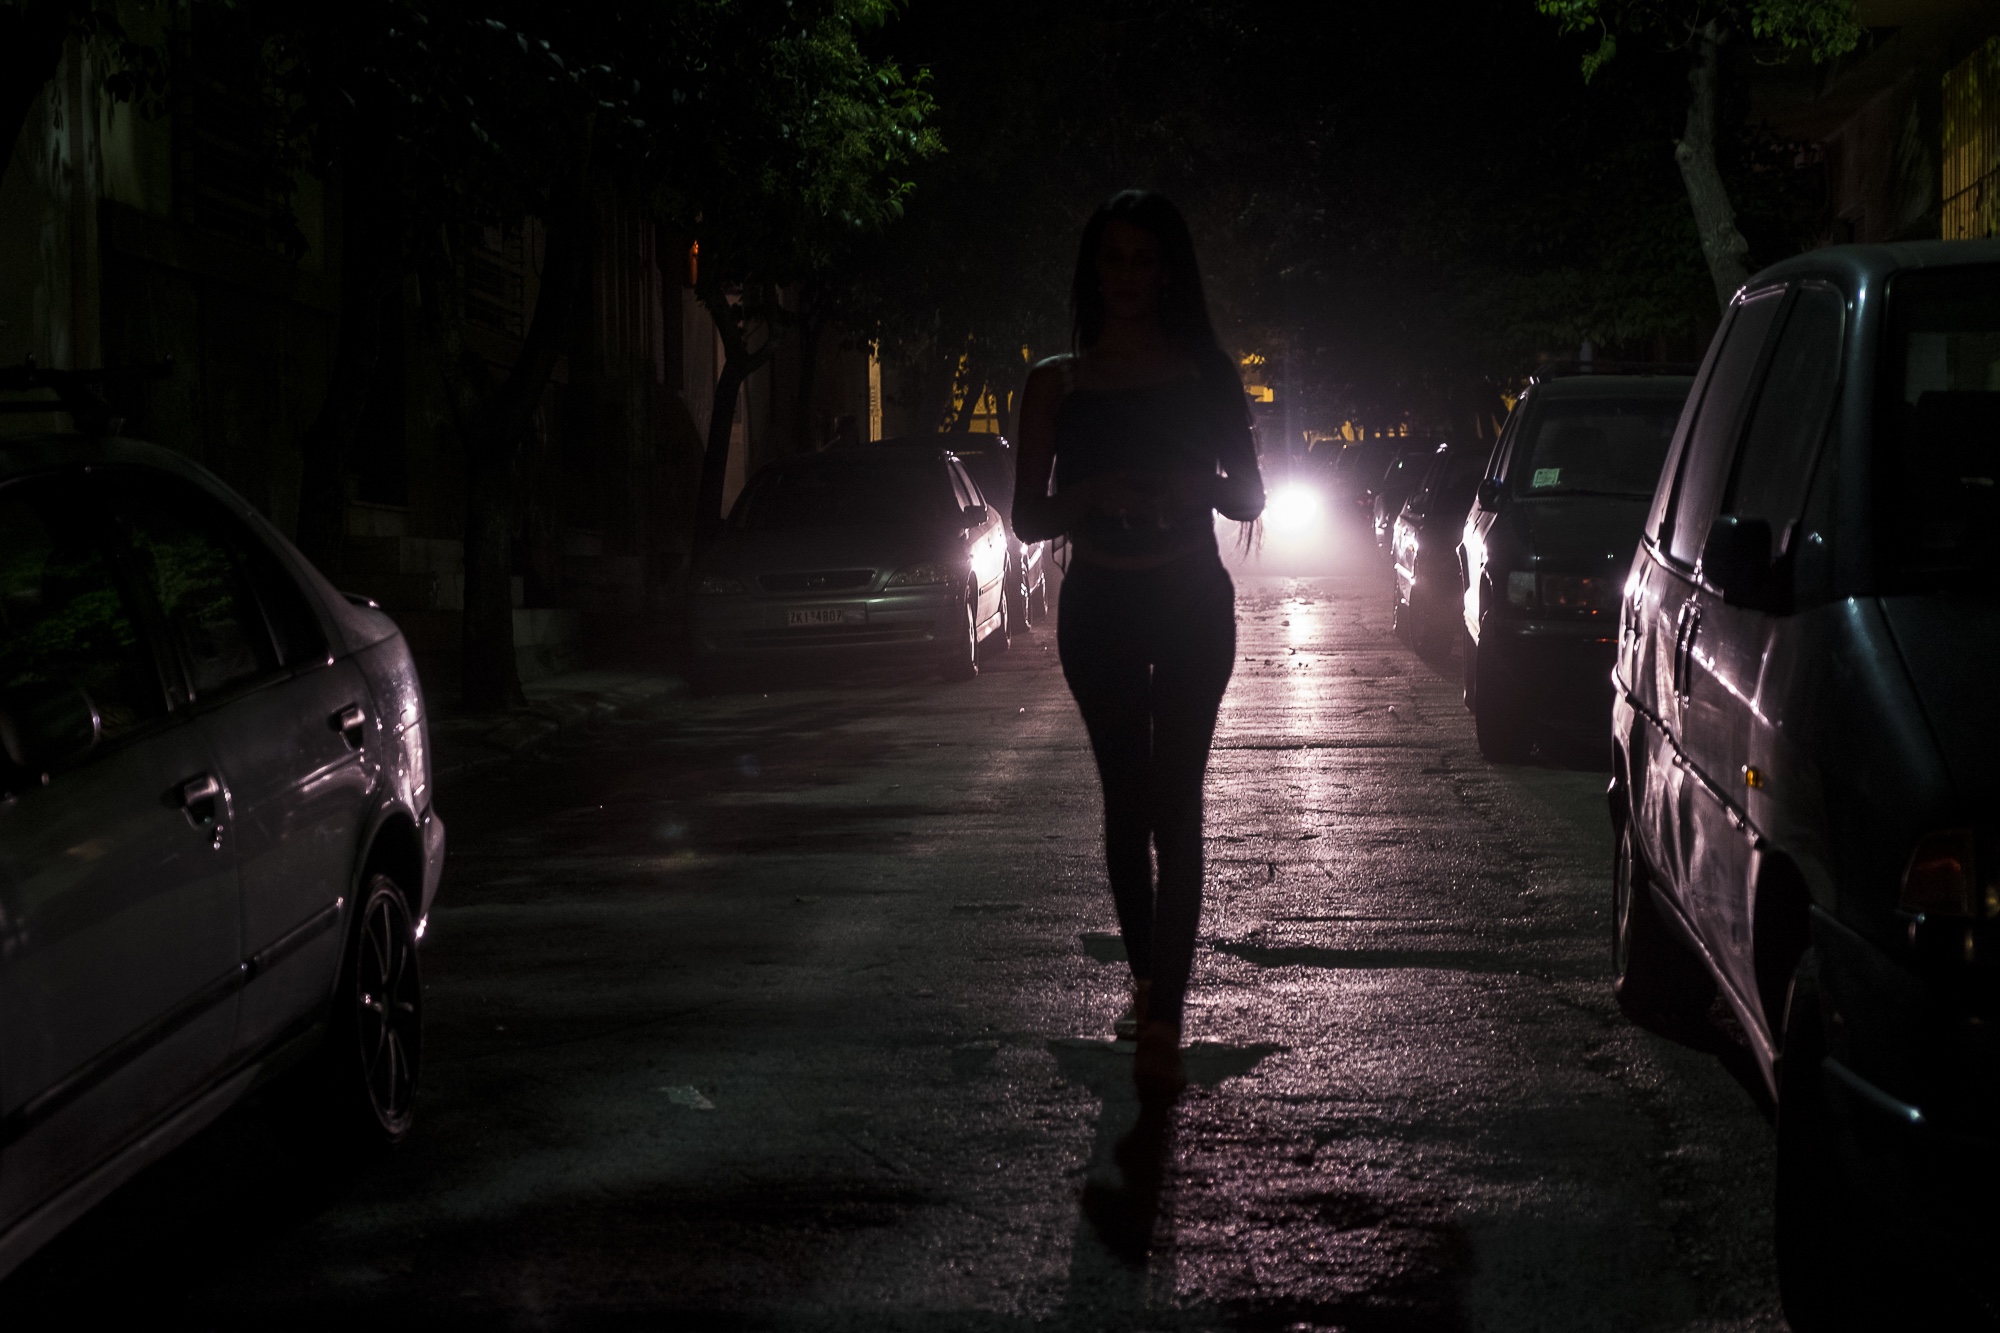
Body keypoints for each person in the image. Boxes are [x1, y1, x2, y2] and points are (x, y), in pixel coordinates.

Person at [1011, 190, 1265, 1098]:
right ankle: (1149, 981)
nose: (1126, 278)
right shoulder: (1057, 381)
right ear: (1094, 273)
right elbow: (1028, 515)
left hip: (1191, 599)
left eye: (1143, 260)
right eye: (1111, 260)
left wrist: (1187, 479)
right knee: (1127, 798)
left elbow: (1248, 498)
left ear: (1168, 272)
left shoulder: (1206, 373)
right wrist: (1093, 494)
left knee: (1178, 800)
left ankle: (1165, 1019)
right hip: (1102, 608)